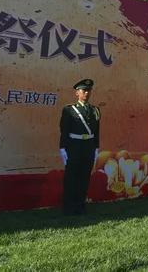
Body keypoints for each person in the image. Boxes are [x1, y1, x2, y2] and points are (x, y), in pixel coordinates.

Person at [59, 78, 100, 215]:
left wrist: (96, 148)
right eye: (84, 91)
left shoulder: (95, 110)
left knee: (84, 177)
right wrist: (63, 148)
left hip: (88, 146)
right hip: (74, 146)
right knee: (71, 177)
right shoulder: (69, 110)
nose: (87, 93)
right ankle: (69, 207)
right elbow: (64, 130)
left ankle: (80, 205)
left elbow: (97, 131)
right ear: (77, 93)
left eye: (89, 91)